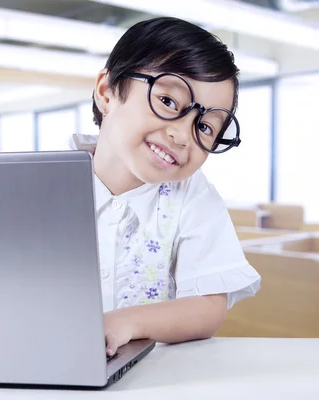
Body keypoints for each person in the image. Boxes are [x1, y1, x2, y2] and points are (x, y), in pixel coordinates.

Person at [72, 17, 262, 356]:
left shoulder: (194, 197)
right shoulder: (46, 185)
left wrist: (125, 322)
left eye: (204, 127)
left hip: (154, 376)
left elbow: (206, 309)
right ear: (106, 92)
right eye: (169, 102)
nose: (182, 135)